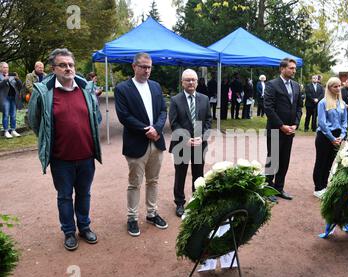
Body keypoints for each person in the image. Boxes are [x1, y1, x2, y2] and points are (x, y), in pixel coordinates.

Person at [27, 48, 102, 251]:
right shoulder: (44, 91)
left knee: (84, 194)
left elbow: (97, 116)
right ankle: (69, 232)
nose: (68, 68)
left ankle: (84, 227)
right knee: (64, 196)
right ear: (54, 69)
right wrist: (48, 138)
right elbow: (34, 120)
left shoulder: (86, 87)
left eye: (70, 64)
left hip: (86, 156)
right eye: (63, 65)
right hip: (61, 159)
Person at [114, 52, 168, 237]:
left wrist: (157, 129)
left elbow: (163, 110)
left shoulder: (155, 86)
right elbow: (124, 116)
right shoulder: (122, 88)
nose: (147, 70)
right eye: (143, 66)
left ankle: (152, 214)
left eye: (149, 67)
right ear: (134, 66)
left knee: (153, 181)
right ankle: (132, 218)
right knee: (134, 183)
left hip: (156, 141)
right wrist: (148, 129)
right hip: (137, 142)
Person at [169, 69, 212, 217]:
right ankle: (180, 203)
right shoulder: (175, 100)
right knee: (180, 175)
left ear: (197, 82)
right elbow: (173, 123)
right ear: (182, 82)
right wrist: (186, 138)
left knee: (198, 175)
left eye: (193, 79)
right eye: (187, 80)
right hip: (182, 144)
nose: (191, 82)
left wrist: (203, 137)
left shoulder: (205, 99)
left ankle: (196, 200)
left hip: (200, 144)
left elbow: (208, 120)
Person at [264, 58, 303, 202]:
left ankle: (279, 188)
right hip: (276, 129)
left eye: (294, 68)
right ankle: (268, 189)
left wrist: (295, 125)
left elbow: (299, 107)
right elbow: (268, 108)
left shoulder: (296, 86)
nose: (294, 70)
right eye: (291, 68)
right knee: (273, 159)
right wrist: (281, 126)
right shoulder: (272, 85)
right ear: (282, 69)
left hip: (290, 130)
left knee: (284, 160)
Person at [313, 77, 347, 199]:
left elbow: (345, 122)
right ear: (329, 88)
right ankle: (318, 188)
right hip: (324, 136)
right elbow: (322, 123)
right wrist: (332, 138)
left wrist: (342, 136)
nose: (338, 88)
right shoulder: (323, 103)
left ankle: (324, 186)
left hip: (337, 136)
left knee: (329, 163)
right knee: (321, 162)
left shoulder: (342, 104)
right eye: (335, 86)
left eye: (339, 86)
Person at [0, 62, 23, 138]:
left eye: (7, 67)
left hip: (13, 98)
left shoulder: (11, 76)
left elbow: (20, 86)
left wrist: (18, 79)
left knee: (13, 115)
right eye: (4, 67)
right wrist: (5, 80)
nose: (6, 69)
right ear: (0, 68)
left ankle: (13, 130)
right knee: (6, 115)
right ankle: (6, 131)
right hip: (4, 98)